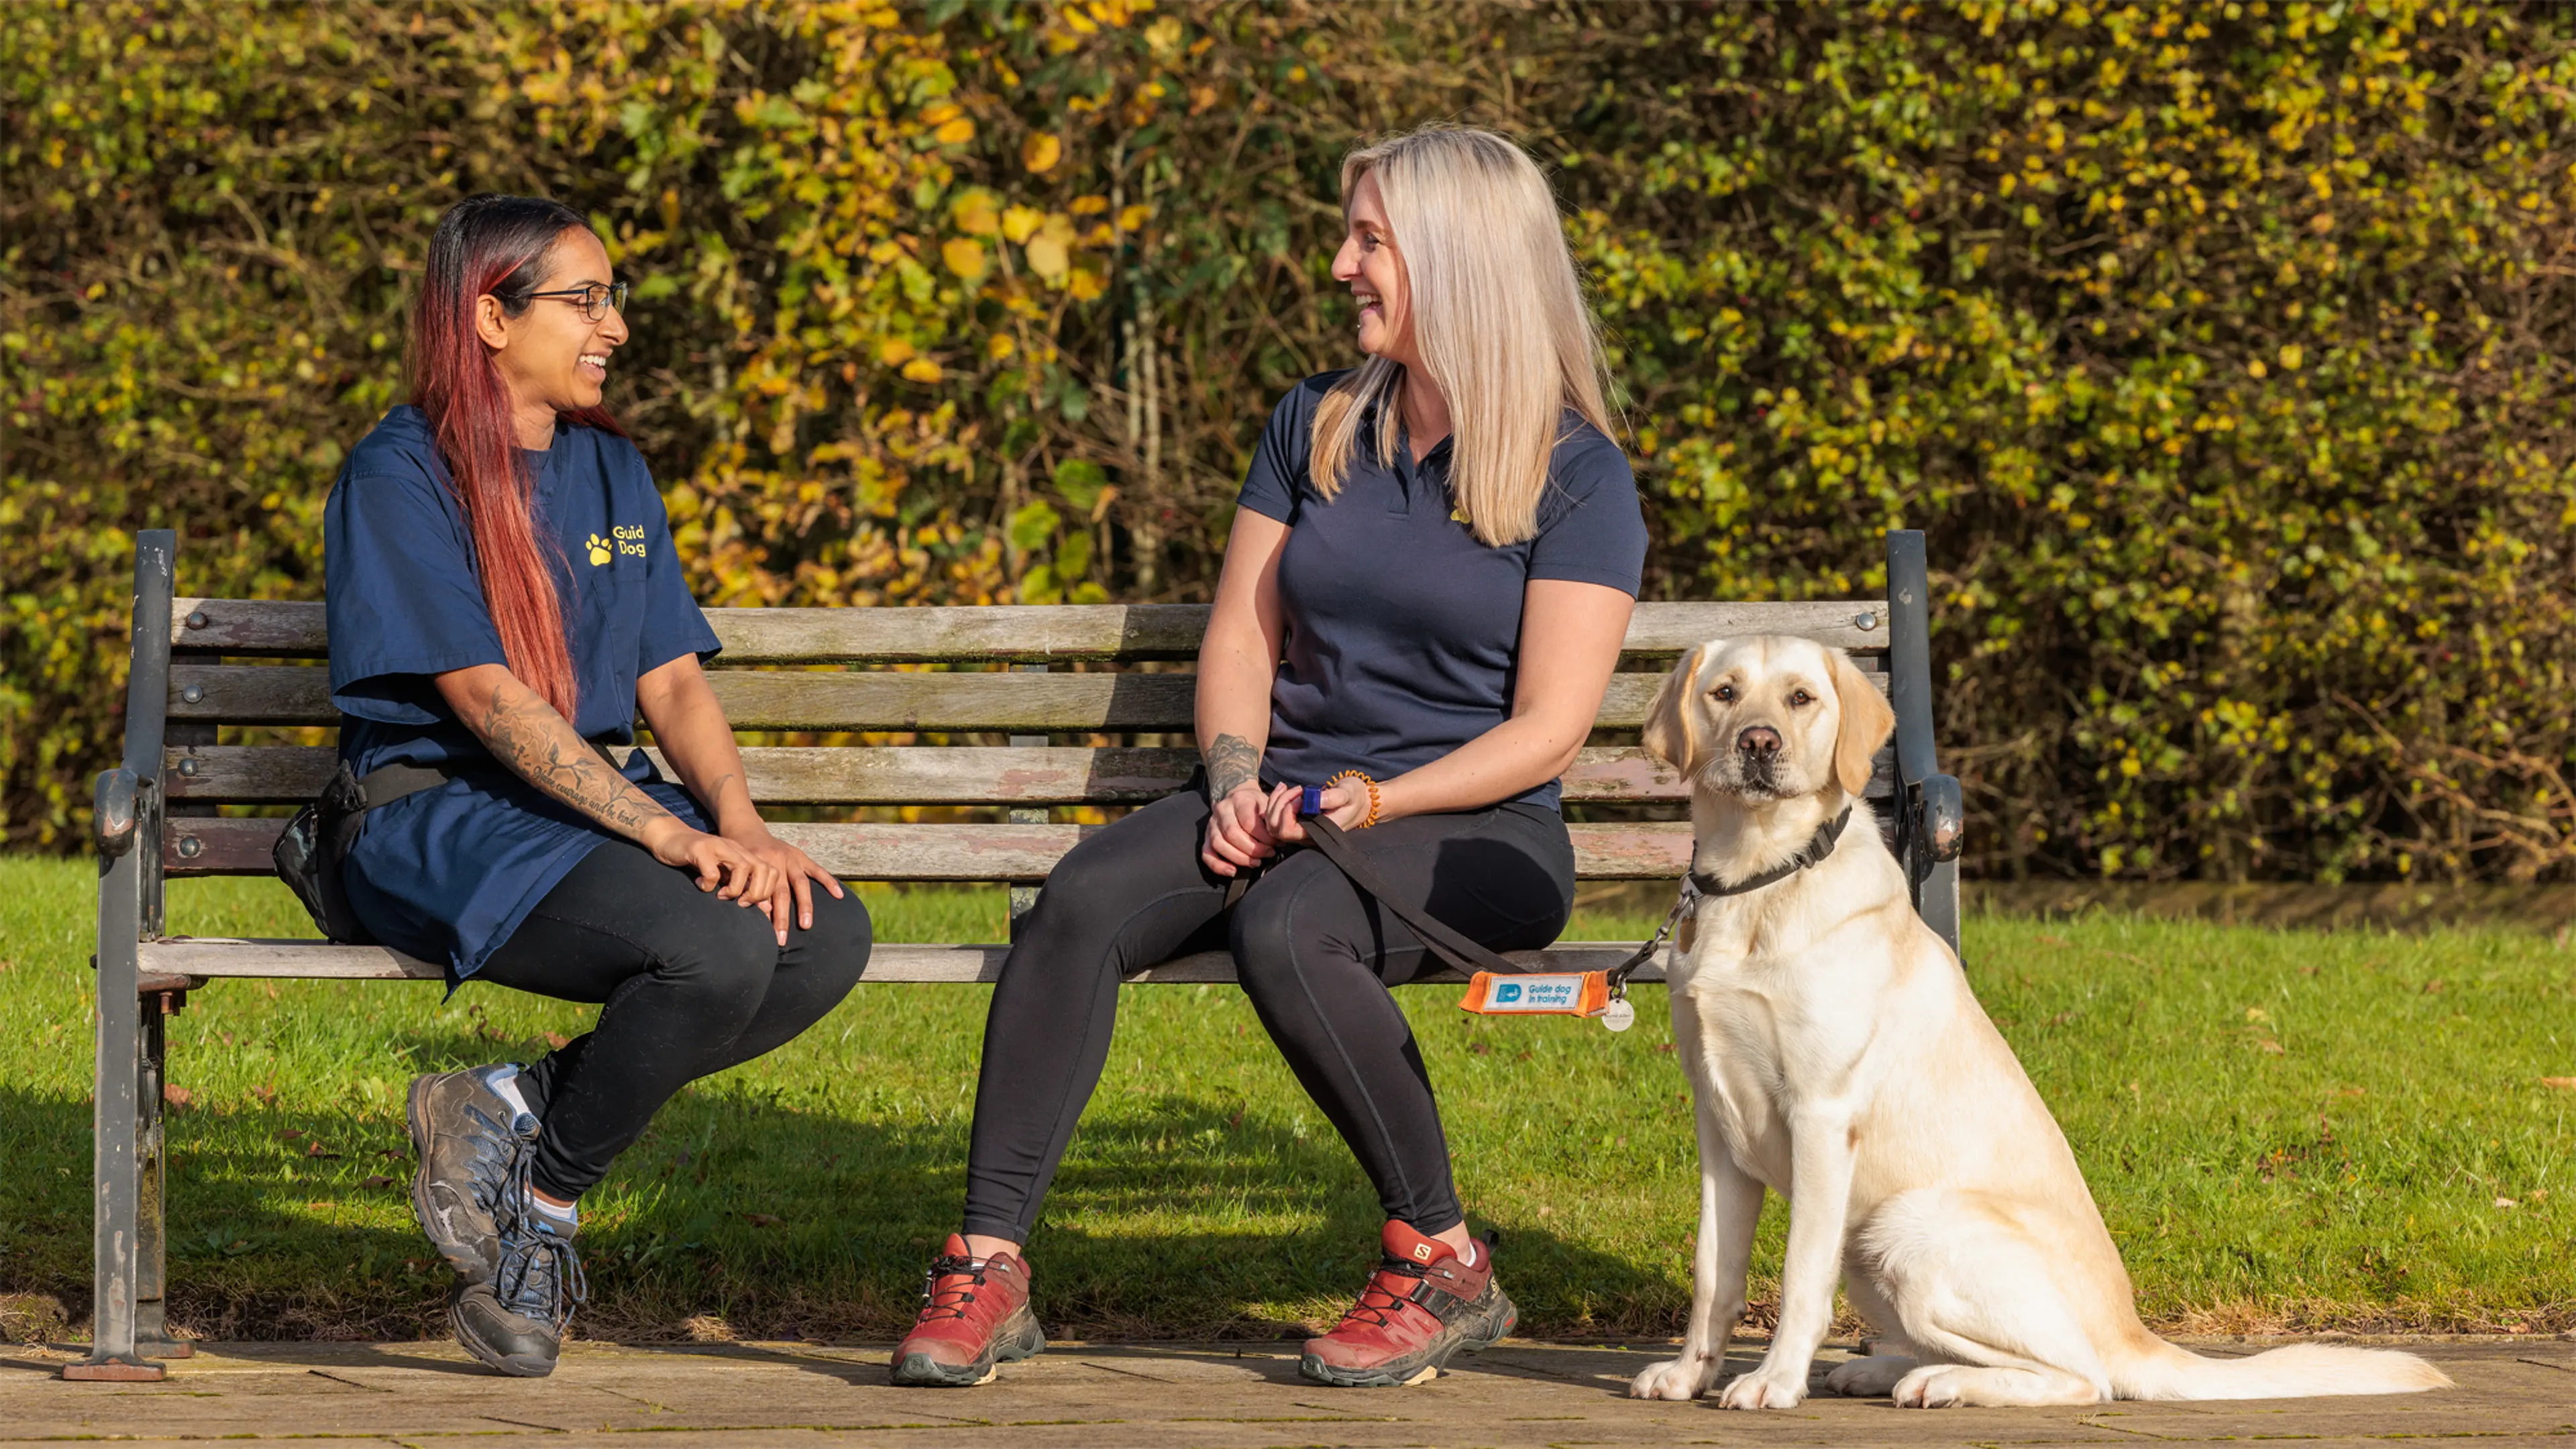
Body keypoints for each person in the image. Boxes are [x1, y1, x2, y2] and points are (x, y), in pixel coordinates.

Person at [890, 126, 1646, 1391]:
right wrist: (1238, 781)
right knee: (1077, 902)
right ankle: (986, 1263)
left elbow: (1548, 728)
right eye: (1348, 233)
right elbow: (1243, 637)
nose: (1340, 262)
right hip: (1285, 801)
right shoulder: (1315, 424)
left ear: (1459, 260)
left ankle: (1441, 1259)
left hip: (1473, 829)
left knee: (1293, 925)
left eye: (1371, 240)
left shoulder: (1577, 474)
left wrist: (1371, 799)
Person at [323, 195, 873, 1378]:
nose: (612, 325)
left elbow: (670, 680)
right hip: (439, 815)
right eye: (585, 300)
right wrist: (664, 841)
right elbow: (483, 699)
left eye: (612, 298)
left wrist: (738, 824)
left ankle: (514, 1116)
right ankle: (550, 1218)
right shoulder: (400, 470)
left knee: (819, 930)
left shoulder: (612, 469)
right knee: (714, 953)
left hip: (577, 810)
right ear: (488, 315)